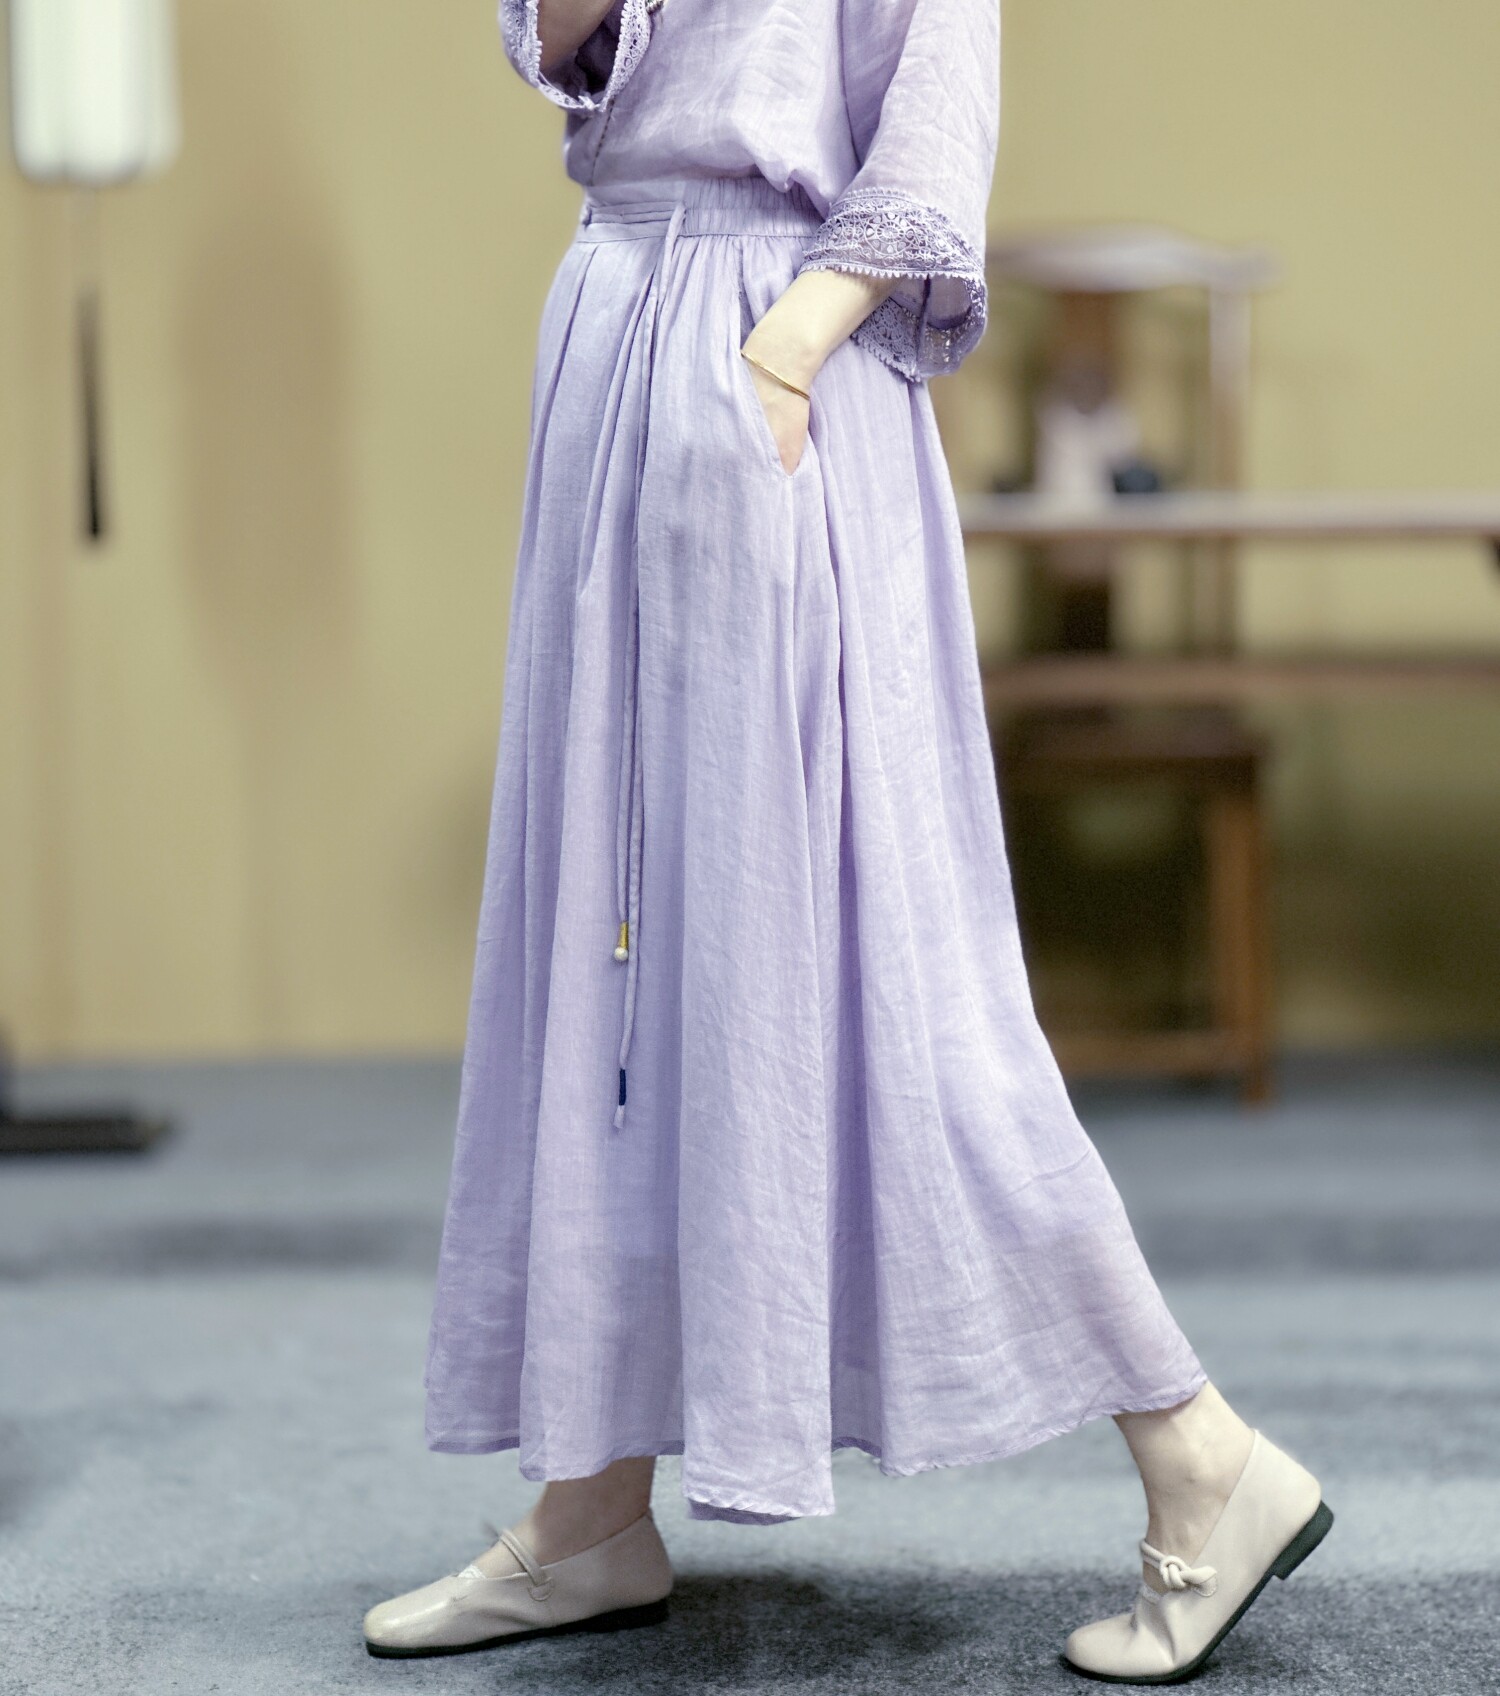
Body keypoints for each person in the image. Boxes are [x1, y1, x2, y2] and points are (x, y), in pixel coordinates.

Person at [363, 0, 1333, 1680]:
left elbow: (932, 128)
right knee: (618, 952)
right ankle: (589, 1511)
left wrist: (778, 358)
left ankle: (1205, 1457)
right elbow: (573, 43)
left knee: (894, 975)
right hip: (616, 333)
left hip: (779, 366)